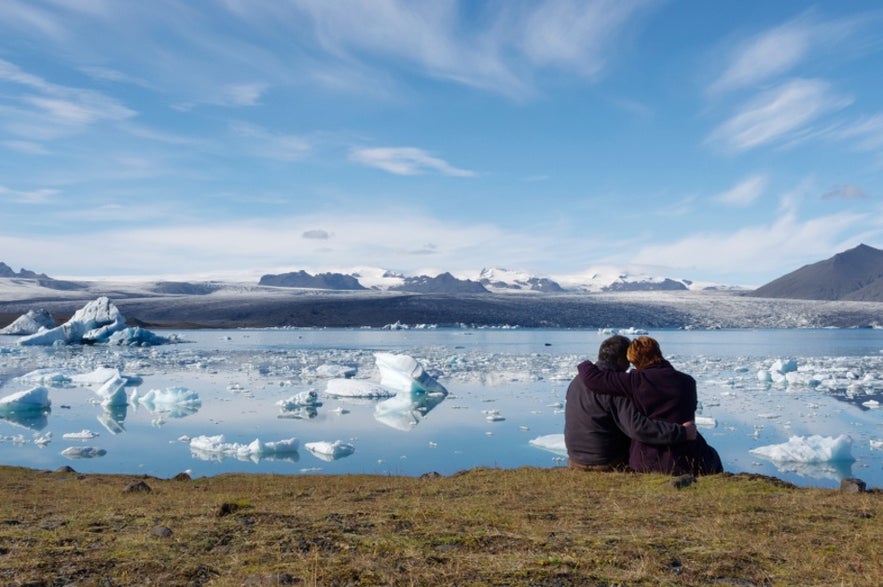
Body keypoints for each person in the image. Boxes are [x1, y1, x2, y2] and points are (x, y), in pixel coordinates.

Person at [577, 335, 723, 476]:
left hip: (647, 460)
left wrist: (585, 364)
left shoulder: (635, 381)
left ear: (634, 359)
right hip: (689, 456)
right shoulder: (688, 381)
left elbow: (593, 379)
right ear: (658, 352)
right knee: (712, 456)